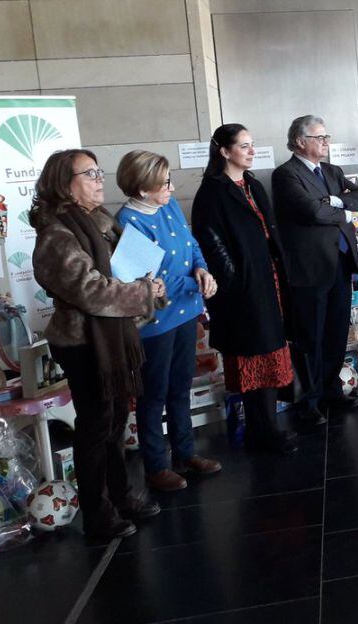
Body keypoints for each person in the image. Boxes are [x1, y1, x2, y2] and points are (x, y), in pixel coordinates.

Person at [30, 149, 166, 541]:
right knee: (95, 428)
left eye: (98, 171)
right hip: (83, 342)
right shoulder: (56, 234)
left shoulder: (99, 220)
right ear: (63, 183)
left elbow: (128, 265)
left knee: (116, 422)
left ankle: (121, 496)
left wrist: (150, 285)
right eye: (88, 174)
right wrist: (142, 291)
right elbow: (90, 291)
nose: (99, 179)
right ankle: (98, 512)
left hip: (113, 338)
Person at [116, 150, 222, 492]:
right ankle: (156, 465)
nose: (172, 188)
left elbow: (191, 245)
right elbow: (151, 279)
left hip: (187, 311)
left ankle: (186, 453)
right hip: (156, 321)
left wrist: (203, 269)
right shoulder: (128, 221)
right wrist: (198, 284)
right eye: (164, 183)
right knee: (154, 394)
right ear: (142, 188)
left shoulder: (168, 207)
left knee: (181, 387)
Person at [192, 123, 297, 455]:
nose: (252, 152)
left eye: (252, 145)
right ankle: (260, 430)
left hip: (268, 280)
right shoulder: (212, 191)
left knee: (270, 352)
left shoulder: (251, 183)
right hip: (241, 290)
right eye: (244, 146)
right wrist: (236, 282)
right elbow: (212, 244)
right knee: (252, 356)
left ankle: (268, 427)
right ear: (224, 151)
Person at [272, 115, 358, 423]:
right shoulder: (286, 175)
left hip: (340, 263)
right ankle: (308, 402)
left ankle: (331, 391)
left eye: (327, 137)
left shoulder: (332, 170)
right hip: (310, 269)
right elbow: (312, 211)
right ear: (300, 142)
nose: (326, 142)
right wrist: (344, 214)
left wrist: (335, 201)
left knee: (337, 332)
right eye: (320, 137)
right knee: (311, 336)